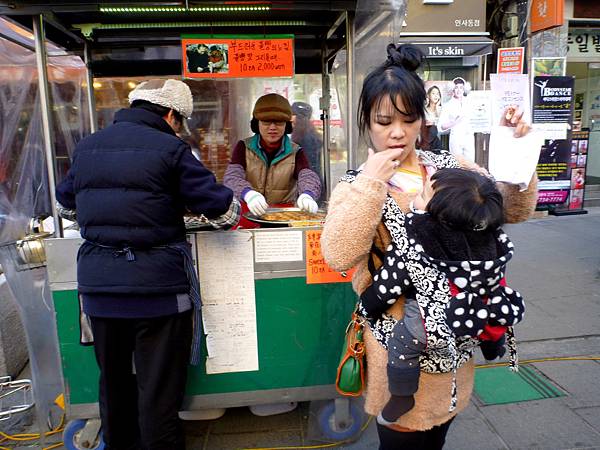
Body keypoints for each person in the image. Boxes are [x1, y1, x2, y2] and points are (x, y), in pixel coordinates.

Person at [321, 44, 537, 450]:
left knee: (438, 431)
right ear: (366, 122)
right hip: (398, 343)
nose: (398, 132)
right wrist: (370, 181)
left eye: (408, 118)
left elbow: (515, 209)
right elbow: (337, 255)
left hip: (456, 337)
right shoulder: (357, 183)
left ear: (423, 119)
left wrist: (517, 151)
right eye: (384, 121)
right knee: (402, 435)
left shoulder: (452, 169)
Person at [55, 78, 241, 450]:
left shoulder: (88, 146)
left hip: (100, 291)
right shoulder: (172, 150)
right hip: (157, 292)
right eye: (181, 121)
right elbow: (225, 213)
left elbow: (66, 206)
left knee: (114, 383)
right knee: (158, 393)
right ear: (171, 114)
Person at [358, 167, 525, 425]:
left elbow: (389, 284)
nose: (416, 196)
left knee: (402, 343)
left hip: (433, 320)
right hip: (482, 308)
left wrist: (367, 306)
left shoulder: (417, 238)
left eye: (423, 194)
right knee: (491, 309)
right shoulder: (488, 234)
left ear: (439, 216)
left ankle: (402, 396)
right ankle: (493, 344)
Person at [223, 93, 321, 217]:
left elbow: (308, 176)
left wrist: (308, 195)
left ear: (287, 125)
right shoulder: (243, 147)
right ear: (256, 123)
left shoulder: (296, 151)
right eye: (266, 122)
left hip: (284, 216)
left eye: (279, 122)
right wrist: (248, 194)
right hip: (249, 213)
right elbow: (232, 177)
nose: (272, 128)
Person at [439, 77, 475, 162]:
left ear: (464, 89)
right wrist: (455, 122)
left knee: (470, 162)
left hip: (469, 136)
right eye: (456, 87)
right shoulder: (447, 105)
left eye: (461, 87)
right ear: (452, 89)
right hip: (456, 137)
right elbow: (441, 126)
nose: (459, 90)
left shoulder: (470, 102)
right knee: (457, 163)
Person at [291, 101, 323, 178]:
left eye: (292, 114)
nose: (290, 118)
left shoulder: (306, 137)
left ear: (298, 117)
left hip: (309, 180)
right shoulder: (304, 133)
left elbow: (310, 163)